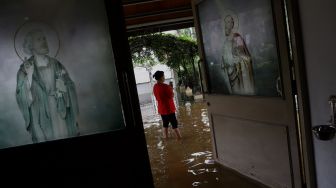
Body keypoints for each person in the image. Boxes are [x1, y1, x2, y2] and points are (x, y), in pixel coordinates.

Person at [16, 29, 79, 143]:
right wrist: (29, 76)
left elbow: (69, 84)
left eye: (44, 38)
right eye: (39, 39)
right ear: (31, 46)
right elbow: (21, 94)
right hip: (41, 116)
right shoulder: (25, 68)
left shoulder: (56, 64)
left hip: (60, 111)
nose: (44, 42)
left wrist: (64, 87)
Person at [221, 14, 255, 95]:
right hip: (229, 70)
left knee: (239, 91)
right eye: (227, 22)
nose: (229, 23)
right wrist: (223, 62)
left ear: (233, 24)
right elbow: (224, 56)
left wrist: (242, 57)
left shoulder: (237, 37)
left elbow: (241, 52)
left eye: (231, 21)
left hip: (237, 69)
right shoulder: (225, 41)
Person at [153, 71, 182, 139]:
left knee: (165, 124)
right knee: (174, 124)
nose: (164, 77)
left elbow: (156, 96)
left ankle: (166, 138)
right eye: (163, 76)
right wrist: (171, 89)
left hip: (161, 109)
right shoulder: (166, 86)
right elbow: (171, 96)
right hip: (169, 109)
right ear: (161, 77)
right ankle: (179, 138)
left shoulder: (155, 86)